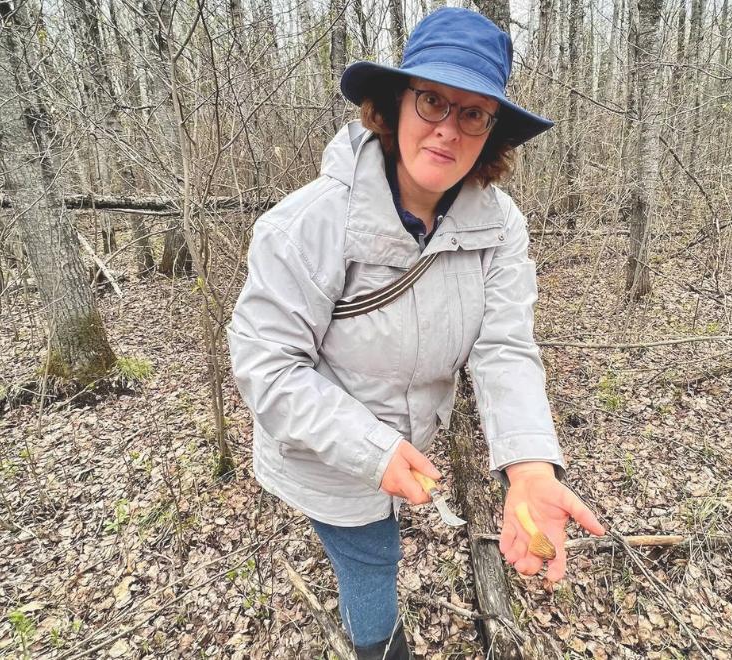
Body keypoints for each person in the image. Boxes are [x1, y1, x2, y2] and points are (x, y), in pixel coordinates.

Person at [227, 8, 606, 659]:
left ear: (490, 134)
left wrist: (531, 466)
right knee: (372, 557)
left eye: (472, 114)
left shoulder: (498, 226)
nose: (447, 128)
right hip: (324, 450)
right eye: (432, 100)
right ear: (395, 103)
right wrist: (371, 451)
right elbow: (268, 364)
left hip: (410, 444)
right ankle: (378, 648)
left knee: (386, 534)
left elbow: (503, 346)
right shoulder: (309, 224)